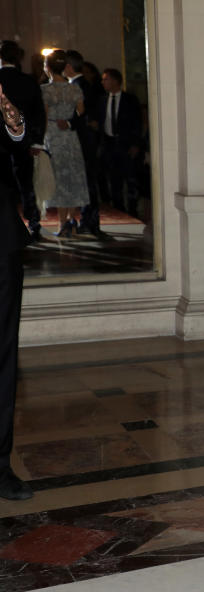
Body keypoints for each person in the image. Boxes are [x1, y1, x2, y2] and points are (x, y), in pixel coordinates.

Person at [0, 82, 33, 501]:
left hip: (1, 242)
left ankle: (0, 467)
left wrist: (14, 122)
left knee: (3, 359)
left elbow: (15, 145)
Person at [40, 50, 89, 237]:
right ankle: (71, 220)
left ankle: (62, 224)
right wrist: (67, 119)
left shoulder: (45, 90)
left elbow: (43, 117)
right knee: (73, 177)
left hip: (53, 136)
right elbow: (81, 111)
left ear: (48, 68)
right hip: (70, 136)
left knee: (59, 179)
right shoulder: (74, 89)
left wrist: (39, 141)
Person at [0, 41, 44, 241]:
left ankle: (8, 230)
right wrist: (36, 141)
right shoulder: (28, 81)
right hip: (24, 142)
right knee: (27, 185)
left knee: (4, 186)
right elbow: (38, 113)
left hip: (1, 143)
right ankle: (33, 224)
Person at [64, 50, 102, 236]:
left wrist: (69, 123)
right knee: (86, 183)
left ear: (69, 67)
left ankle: (90, 222)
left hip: (83, 142)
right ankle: (88, 221)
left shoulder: (80, 86)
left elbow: (84, 114)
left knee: (87, 183)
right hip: (83, 141)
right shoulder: (82, 84)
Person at [97, 68, 141, 216]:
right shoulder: (103, 100)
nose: (103, 82)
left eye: (106, 79)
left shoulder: (130, 100)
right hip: (109, 144)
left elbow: (137, 122)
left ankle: (133, 208)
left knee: (131, 178)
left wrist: (135, 144)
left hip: (126, 144)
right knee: (114, 180)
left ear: (115, 81)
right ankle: (118, 208)